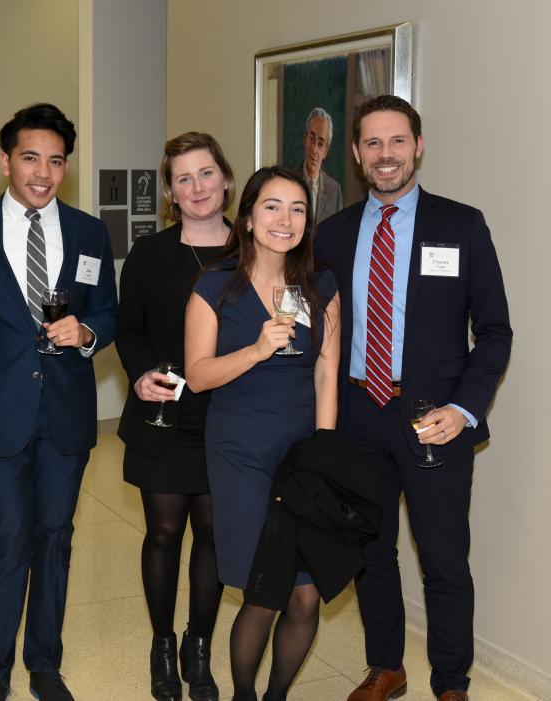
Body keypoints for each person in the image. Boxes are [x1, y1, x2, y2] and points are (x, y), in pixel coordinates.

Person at [315, 95, 512, 701]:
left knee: (445, 561)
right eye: (372, 143)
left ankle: (452, 683)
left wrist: (464, 409)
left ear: (417, 146)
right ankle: (387, 668)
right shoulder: (332, 233)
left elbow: (496, 331)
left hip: (436, 422)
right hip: (357, 414)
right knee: (372, 552)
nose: (385, 155)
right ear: (355, 154)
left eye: (397, 141)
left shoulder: (462, 225)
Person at [0, 103, 117, 701]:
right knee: (7, 537)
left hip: (66, 411)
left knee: (55, 535)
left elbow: (107, 309)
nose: (44, 172)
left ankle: (45, 664)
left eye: (56, 161)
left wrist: (86, 333)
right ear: (6, 161)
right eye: (31, 157)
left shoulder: (88, 232)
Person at [185, 166, 340, 701]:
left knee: (305, 594)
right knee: (263, 590)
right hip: (241, 450)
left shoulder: (322, 283)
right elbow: (199, 374)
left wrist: (324, 451)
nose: (285, 219)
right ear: (248, 217)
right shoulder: (215, 285)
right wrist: (255, 349)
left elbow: (326, 372)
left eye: (297, 209)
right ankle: (244, 696)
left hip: (302, 452)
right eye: (272, 206)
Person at [116, 132, 233, 701]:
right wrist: (138, 374)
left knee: (213, 535)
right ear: (170, 191)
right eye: (183, 178)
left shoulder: (256, 250)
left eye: (206, 173)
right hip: (163, 416)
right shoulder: (150, 254)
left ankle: (200, 646)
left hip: (229, 422)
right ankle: (163, 644)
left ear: (226, 178)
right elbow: (128, 327)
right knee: (164, 533)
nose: (197, 187)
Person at [301, 108, 343, 223]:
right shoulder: (289, 183)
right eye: (312, 139)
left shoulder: (334, 191)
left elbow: (337, 234)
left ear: (326, 151)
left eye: (320, 144)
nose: (314, 150)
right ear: (305, 139)